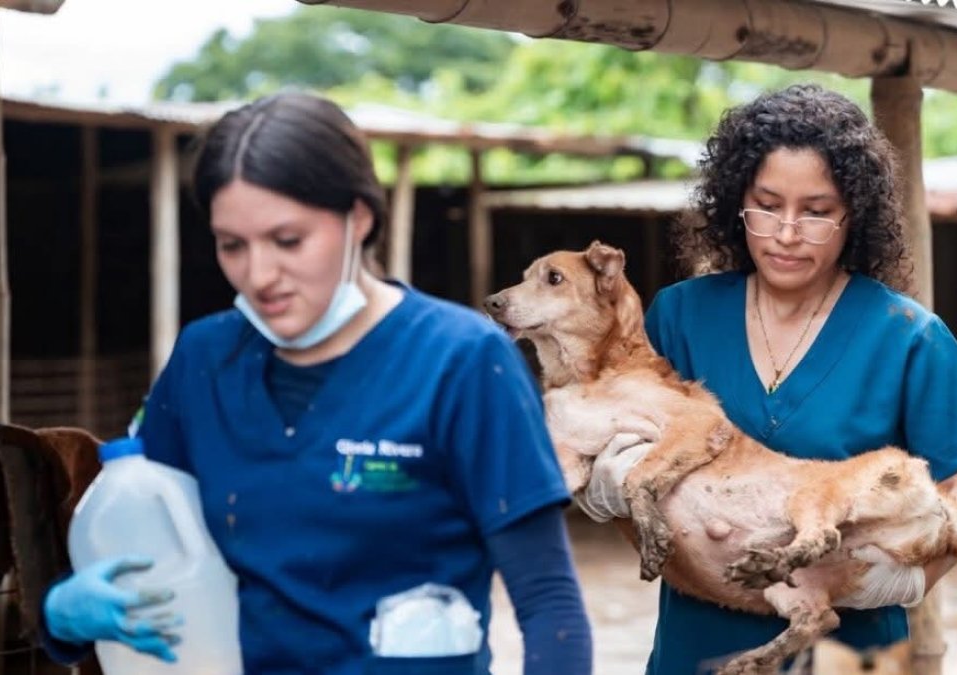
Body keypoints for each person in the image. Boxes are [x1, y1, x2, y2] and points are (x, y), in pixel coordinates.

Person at [40, 92, 593, 675]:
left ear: (358, 217)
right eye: (232, 245)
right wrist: (63, 617)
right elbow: (142, 547)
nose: (259, 275)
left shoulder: (462, 362)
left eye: (288, 240)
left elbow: (548, 602)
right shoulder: (204, 360)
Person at [640, 84, 957, 674]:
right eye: (767, 204)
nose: (786, 232)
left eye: (816, 211)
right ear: (736, 200)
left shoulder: (906, 335)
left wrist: (876, 583)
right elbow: (626, 448)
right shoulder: (679, 317)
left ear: (852, 214)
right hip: (697, 648)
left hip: (849, 654)